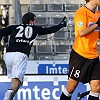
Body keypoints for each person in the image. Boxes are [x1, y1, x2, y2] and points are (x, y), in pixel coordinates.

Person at [1, 12, 67, 100]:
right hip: (20, 56)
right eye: (36, 20)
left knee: (16, 81)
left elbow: (1, 31)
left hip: (8, 56)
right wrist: (61, 25)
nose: (36, 23)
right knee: (16, 83)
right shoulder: (35, 29)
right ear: (31, 21)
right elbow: (50, 30)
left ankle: (9, 97)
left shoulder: (14, 27)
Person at [60, 0, 100, 100]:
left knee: (96, 87)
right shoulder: (81, 12)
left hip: (94, 55)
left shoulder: (98, 14)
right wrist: (96, 24)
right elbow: (81, 33)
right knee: (71, 87)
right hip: (80, 54)